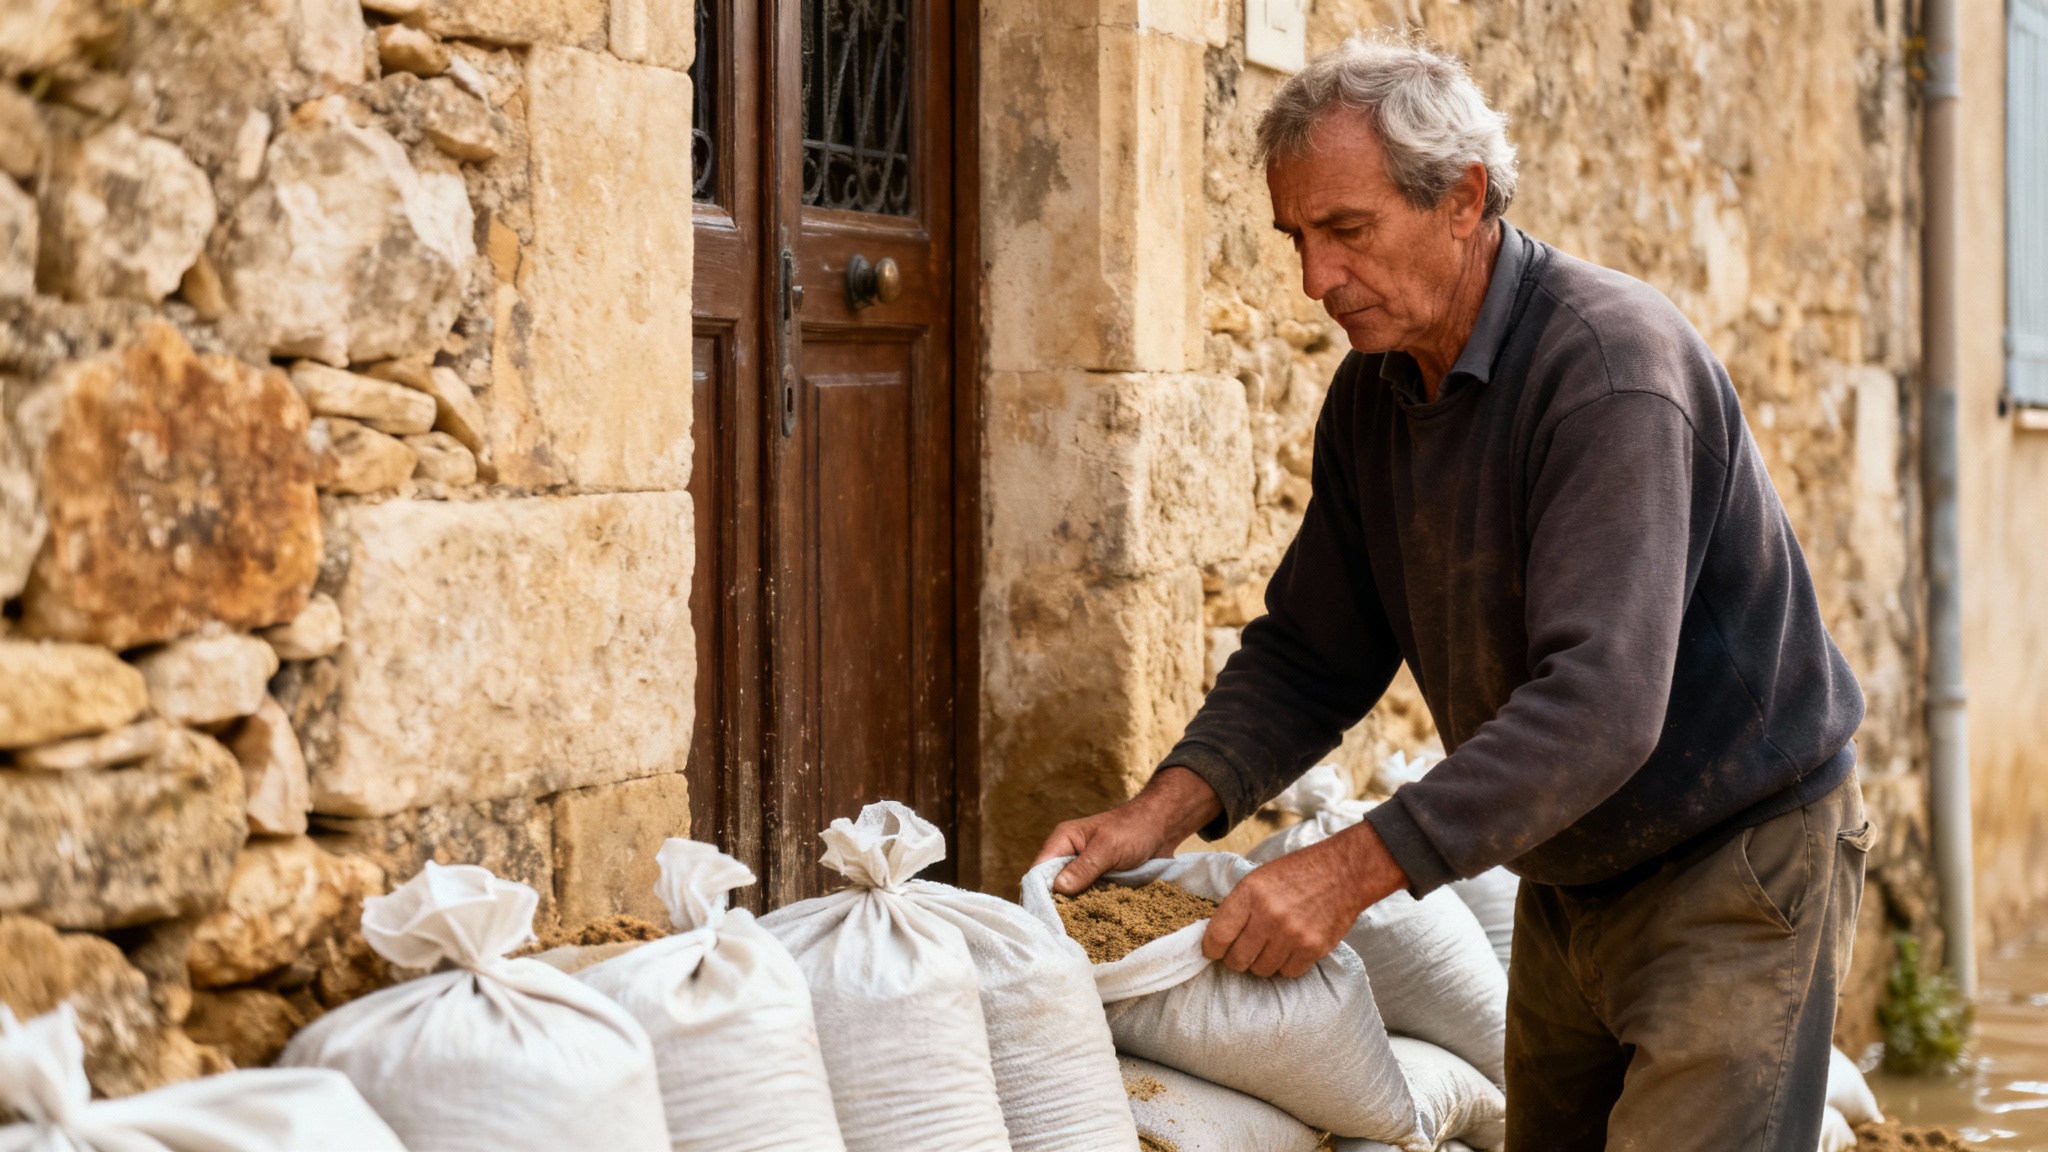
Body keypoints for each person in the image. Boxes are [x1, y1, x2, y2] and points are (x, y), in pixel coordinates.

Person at [1032, 36, 1871, 1152]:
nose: (1311, 281)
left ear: (1461, 198)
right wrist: (1155, 815)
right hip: (1571, 868)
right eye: (1295, 238)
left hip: (1732, 864)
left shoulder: (1607, 370)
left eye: (1345, 232)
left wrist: (1345, 873)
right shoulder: (1373, 397)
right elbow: (1309, 654)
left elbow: (1599, 705)